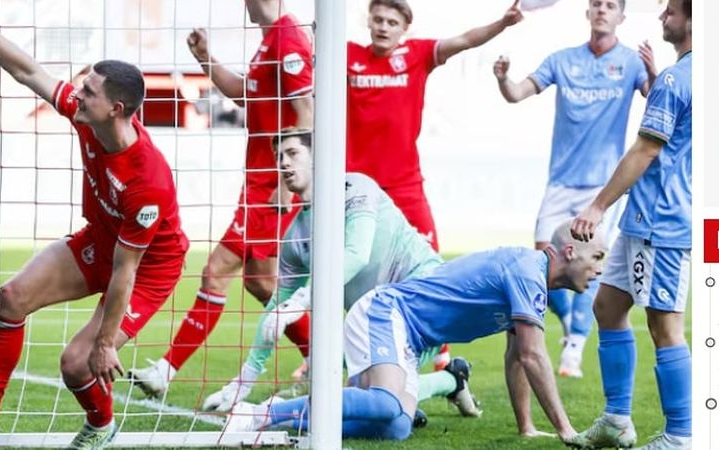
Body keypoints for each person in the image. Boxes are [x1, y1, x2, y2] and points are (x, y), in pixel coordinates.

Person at [0, 1, 190, 449]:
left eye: (90, 91)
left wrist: (106, 343)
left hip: (147, 269)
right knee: (12, 297)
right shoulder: (86, 116)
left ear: (116, 108)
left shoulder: (148, 180)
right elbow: (27, 70)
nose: (77, 94)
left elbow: (126, 271)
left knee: (77, 362)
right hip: (102, 239)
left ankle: (101, 427)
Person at [225, 222, 607, 441]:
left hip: (407, 335)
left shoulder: (531, 278)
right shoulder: (528, 271)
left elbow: (517, 356)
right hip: (387, 312)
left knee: (395, 426)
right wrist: (567, 431)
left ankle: (290, 423)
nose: (601, 269)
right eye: (597, 257)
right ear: (570, 253)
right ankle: (261, 413)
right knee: (387, 403)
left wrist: (527, 428)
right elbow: (532, 355)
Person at [200, 129, 480, 421]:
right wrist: (242, 382)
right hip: (377, 323)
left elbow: (355, 255)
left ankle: (436, 384)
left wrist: (301, 300)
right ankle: (451, 380)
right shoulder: (296, 235)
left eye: (292, 154)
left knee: (372, 396)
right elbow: (275, 310)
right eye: (278, 157)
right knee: (346, 386)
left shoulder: (356, 188)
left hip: (425, 297)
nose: (283, 163)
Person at [127, 0, 314, 396]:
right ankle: (324, 358)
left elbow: (306, 111)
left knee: (218, 272)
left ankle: (166, 369)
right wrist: (205, 59)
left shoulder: (287, 39)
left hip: (271, 186)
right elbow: (246, 95)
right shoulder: (270, 40)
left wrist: (287, 177)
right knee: (262, 284)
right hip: (261, 182)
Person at [347, 0, 523, 370]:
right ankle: (338, 352)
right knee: (346, 269)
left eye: (391, 21)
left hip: (405, 186)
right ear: (369, 21)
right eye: (377, 19)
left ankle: (441, 355)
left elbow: (464, 40)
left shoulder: (418, 54)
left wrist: (502, 23)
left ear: (404, 27)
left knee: (432, 269)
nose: (383, 26)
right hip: (358, 191)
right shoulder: (345, 57)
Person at [493, 0, 657, 378]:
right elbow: (517, 93)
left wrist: (652, 72)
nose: (602, 9)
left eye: (610, 5)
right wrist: (503, 78)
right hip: (560, 181)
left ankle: (576, 346)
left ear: (621, 17)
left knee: (587, 260)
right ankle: (570, 326)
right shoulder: (562, 60)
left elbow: (655, 101)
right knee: (543, 265)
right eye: (596, 4)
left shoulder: (630, 62)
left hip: (602, 185)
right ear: (588, 13)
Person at [566, 1, 691, 449]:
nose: (662, 18)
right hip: (643, 219)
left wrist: (597, 207)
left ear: (694, 21)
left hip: (663, 223)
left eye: (672, 11)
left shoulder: (679, 79)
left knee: (665, 326)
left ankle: (681, 436)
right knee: (608, 307)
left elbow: (646, 150)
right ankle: (618, 420)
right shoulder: (691, 75)